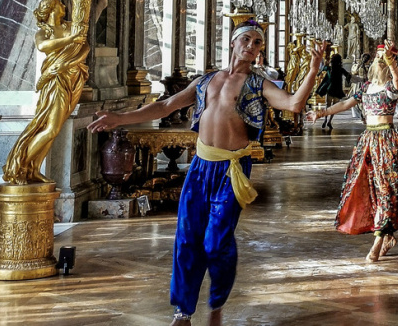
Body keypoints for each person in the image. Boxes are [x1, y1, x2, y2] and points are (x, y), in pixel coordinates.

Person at [88, 20, 325, 326]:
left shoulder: (259, 84)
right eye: (247, 40)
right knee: (187, 239)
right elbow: (166, 106)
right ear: (233, 42)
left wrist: (314, 68)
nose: (252, 46)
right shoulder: (205, 81)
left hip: (231, 170)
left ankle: (216, 303)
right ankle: (183, 312)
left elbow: (294, 104)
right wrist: (120, 118)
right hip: (200, 168)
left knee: (216, 241)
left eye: (258, 43)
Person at [307, 42, 398, 262]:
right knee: (374, 191)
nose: (378, 60)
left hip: (388, 142)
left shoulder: (390, 88)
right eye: (378, 56)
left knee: (388, 191)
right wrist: (322, 113)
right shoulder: (365, 87)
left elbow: (397, 81)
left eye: (383, 57)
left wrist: (392, 63)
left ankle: (378, 242)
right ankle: (386, 235)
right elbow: (346, 103)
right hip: (369, 142)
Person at [3, 0, 89, 184]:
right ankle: (21, 166)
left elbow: (84, 47)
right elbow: (43, 46)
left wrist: (69, 59)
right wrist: (71, 39)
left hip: (72, 79)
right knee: (50, 129)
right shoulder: (43, 33)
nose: (64, 6)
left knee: (53, 130)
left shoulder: (69, 26)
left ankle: (34, 169)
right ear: (50, 8)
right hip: (55, 82)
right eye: (60, 4)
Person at [319, 53, 351, 130]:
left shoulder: (329, 68)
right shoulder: (341, 69)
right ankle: (329, 121)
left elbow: (321, 71)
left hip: (330, 89)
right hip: (338, 90)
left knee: (328, 105)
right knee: (334, 107)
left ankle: (325, 119)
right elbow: (348, 76)